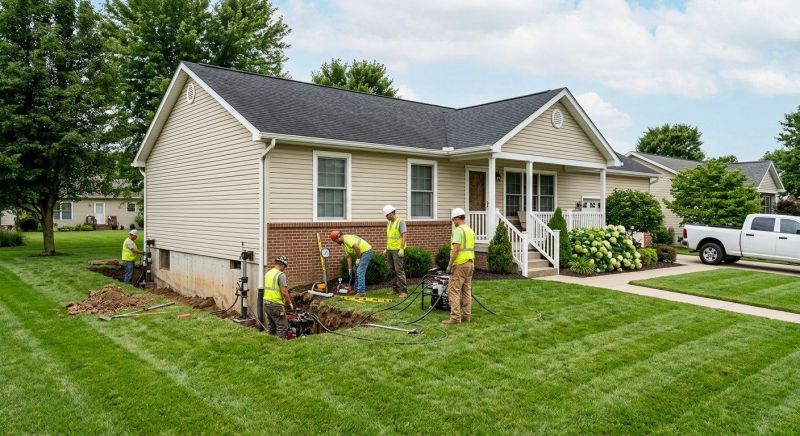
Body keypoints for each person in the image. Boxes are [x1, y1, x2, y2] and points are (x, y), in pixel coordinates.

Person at [443, 208, 475, 325]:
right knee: (466, 290)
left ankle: (455, 318)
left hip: (460, 264)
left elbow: (456, 249)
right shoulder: (470, 230)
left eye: (453, 219)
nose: (453, 222)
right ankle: (466, 316)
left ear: (457, 218)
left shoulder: (458, 230)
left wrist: (450, 264)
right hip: (470, 263)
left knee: (454, 291)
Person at [330, 230, 373, 297]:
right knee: (355, 269)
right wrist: (349, 269)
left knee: (360, 271)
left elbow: (357, 248)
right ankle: (356, 289)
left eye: (335, 241)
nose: (336, 242)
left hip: (367, 252)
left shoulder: (347, 239)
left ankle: (361, 292)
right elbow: (348, 257)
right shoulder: (344, 244)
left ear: (338, 238)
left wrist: (358, 258)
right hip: (361, 253)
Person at [263, 256, 294, 339]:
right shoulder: (281, 275)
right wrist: (289, 302)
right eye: (285, 267)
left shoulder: (268, 273)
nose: (285, 269)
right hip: (276, 304)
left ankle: (270, 341)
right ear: (282, 265)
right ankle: (280, 345)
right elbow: (284, 291)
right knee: (282, 325)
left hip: (266, 303)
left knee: (272, 325)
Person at [382, 205, 408, 298]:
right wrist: (386, 248)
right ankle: (395, 289)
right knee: (391, 270)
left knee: (399, 270)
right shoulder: (389, 223)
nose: (386, 217)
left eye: (387, 215)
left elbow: (404, 235)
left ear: (392, 213)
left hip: (397, 250)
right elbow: (389, 237)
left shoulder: (400, 222)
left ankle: (404, 291)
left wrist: (401, 248)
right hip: (390, 249)